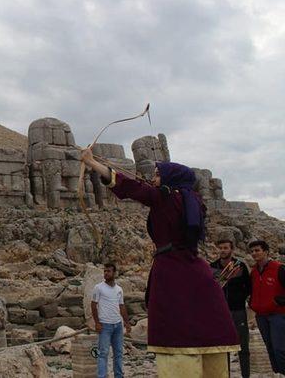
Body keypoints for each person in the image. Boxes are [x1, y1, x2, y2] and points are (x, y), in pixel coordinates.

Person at [81, 149, 238, 378]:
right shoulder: (194, 201)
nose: (154, 179)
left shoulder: (164, 197)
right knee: (208, 328)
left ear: (170, 178)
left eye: (157, 175)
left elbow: (129, 187)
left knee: (174, 329)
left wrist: (91, 161)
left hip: (171, 272)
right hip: (198, 271)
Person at [210, 239, 251, 378]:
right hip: (220, 313)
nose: (223, 250)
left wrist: (240, 299)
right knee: (223, 346)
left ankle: (246, 375)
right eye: (220, 247)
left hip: (238, 310)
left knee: (243, 346)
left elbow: (248, 287)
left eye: (225, 248)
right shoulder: (212, 266)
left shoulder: (240, 266)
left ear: (231, 249)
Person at [248, 239, 285, 374]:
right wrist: (253, 305)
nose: (254, 253)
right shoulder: (254, 272)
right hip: (261, 316)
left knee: (279, 348)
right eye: (252, 251)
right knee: (270, 348)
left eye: (257, 250)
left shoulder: (279, 268)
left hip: (278, 315)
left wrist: (278, 301)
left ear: (266, 251)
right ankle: (278, 374)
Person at [91, 263, 131, 378]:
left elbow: (122, 306)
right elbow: (93, 305)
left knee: (118, 353)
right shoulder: (98, 288)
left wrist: (127, 323)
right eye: (105, 271)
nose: (106, 273)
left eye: (108, 271)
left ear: (114, 273)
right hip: (105, 325)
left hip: (118, 325)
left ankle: (119, 375)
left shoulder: (119, 289)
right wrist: (97, 322)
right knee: (103, 353)